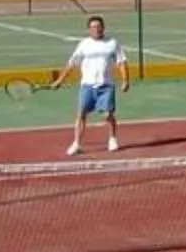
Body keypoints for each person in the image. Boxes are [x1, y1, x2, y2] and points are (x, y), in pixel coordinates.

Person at [50, 14, 128, 154]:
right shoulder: (84, 45)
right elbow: (72, 64)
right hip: (87, 85)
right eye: (93, 27)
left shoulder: (112, 43)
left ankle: (112, 139)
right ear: (88, 30)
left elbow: (121, 62)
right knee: (81, 115)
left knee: (107, 115)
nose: (96, 29)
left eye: (98, 27)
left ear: (103, 28)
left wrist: (125, 80)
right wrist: (60, 81)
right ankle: (77, 144)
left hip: (106, 85)